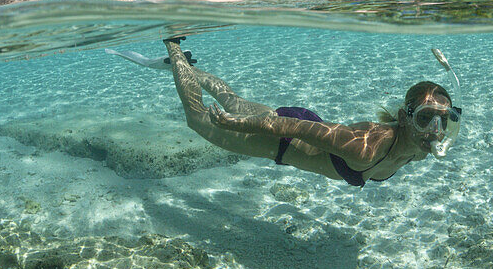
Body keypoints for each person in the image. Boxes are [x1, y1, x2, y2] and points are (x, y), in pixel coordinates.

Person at [161, 37, 461, 187]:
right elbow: (290, 128)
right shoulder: (366, 148)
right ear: (404, 117)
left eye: (443, 120)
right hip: (281, 138)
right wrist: (237, 125)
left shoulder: (419, 147)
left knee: (231, 98)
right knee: (196, 118)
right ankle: (173, 47)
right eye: (425, 118)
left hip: (300, 125)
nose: (435, 129)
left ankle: (187, 66)